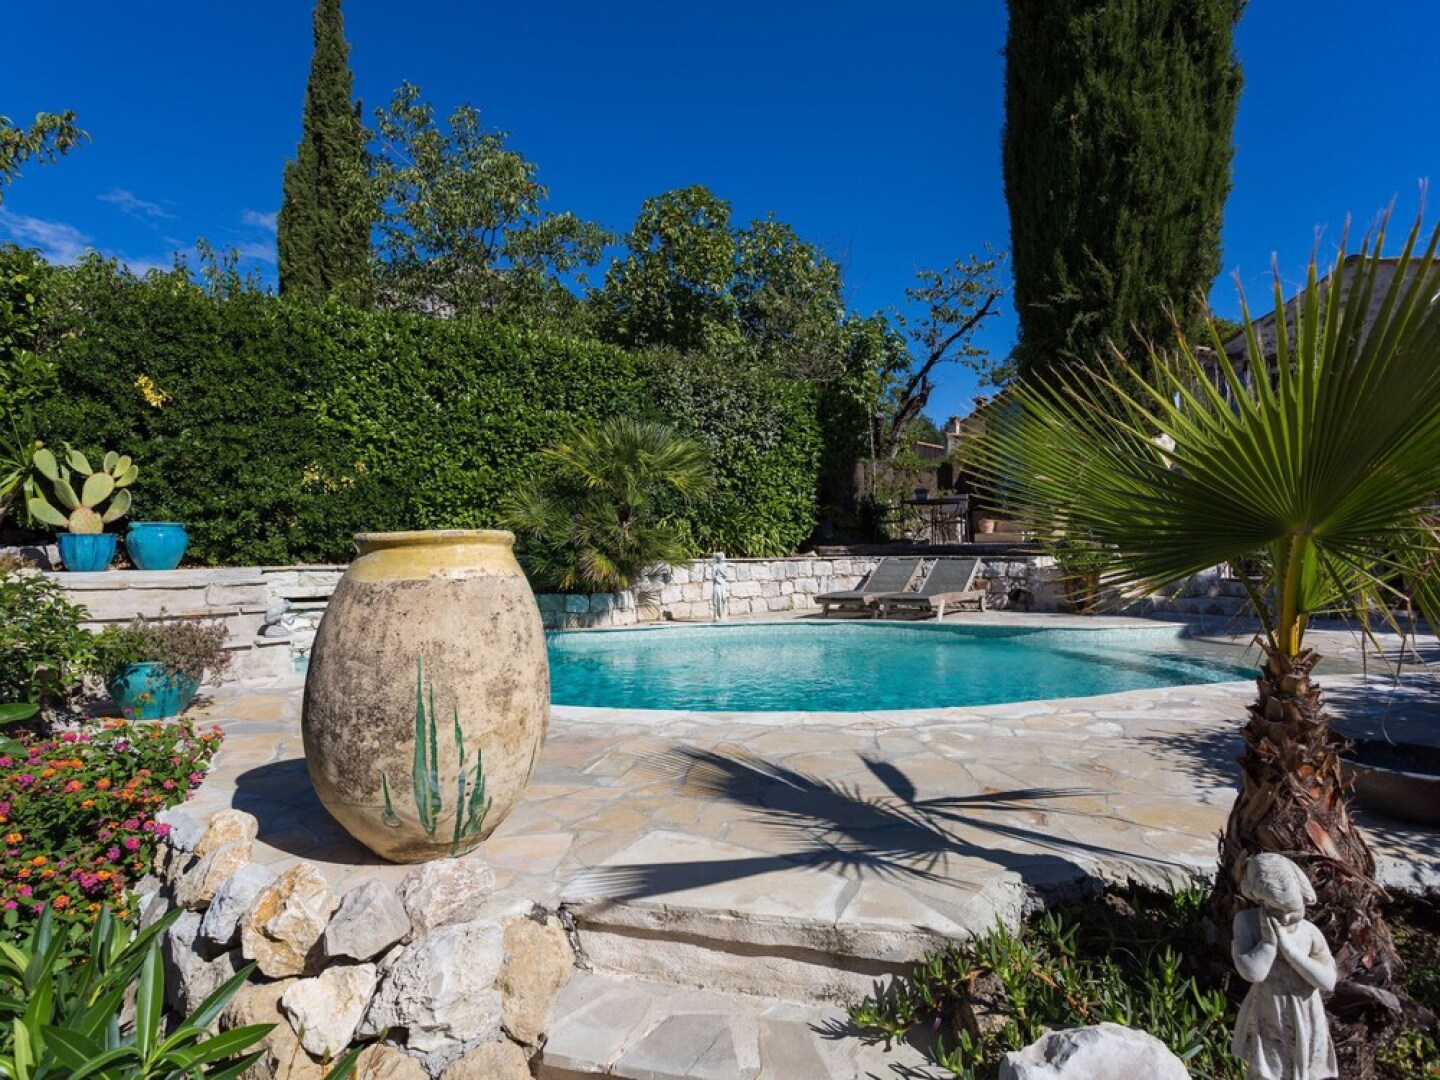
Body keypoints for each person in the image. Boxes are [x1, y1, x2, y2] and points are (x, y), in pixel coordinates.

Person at [1231, 853, 1338, 1080]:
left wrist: (1291, 952)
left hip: (1307, 1014)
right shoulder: (1247, 922)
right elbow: (1253, 972)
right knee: (1267, 1072)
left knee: (1306, 1071)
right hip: (1267, 1012)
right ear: (1261, 901)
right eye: (1280, 909)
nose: (1289, 916)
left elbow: (1328, 981)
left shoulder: (1309, 932)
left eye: (1294, 908)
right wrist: (1269, 943)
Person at [711, 552, 730, 621]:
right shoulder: (715, 566)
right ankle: (718, 616)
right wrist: (718, 580)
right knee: (718, 599)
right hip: (717, 584)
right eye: (722, 558)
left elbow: (726, 575)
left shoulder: (724, 565)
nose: (723, 559)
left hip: (723, 583)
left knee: (724, 598)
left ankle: (723, 614)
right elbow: (713, 576)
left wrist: (720, 571)